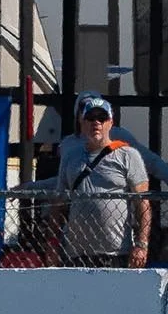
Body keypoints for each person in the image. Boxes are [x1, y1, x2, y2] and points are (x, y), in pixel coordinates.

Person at [52, 97, 150, 268]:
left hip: (116, 253)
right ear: (82, 123)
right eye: (90, 118)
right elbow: (58, 204)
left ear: (110, 123)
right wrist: (52, 246)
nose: (96, 122)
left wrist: (141, 245)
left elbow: (143, 204)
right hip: (76, 254)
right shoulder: (70, 156)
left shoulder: (128, 155)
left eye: (102, 118)